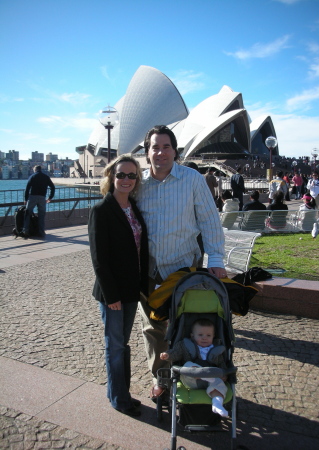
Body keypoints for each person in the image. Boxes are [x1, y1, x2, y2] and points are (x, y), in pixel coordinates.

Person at [136, 125, 226, 398]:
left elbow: (209, 221)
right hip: (149, 271)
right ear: (147, 152)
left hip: (184, 268)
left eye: (166, 147)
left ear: (175, 151)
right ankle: (161, 378)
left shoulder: (193, 179)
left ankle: (191, 372)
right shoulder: (138, 183)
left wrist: (216, 258)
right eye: (155, 147)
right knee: (153, 328)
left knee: (185, 323)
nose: (160, 152)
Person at [88, 155, 149, 417]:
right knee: (114, 345)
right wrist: (111, 295)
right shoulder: (101, 210)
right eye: (121, 174)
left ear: (137, 180)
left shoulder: (134, 207)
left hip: (131, 289)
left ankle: (120, 392)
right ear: (111, 177)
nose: (126, 179)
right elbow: (99, 259)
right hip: (113, 293)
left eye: (131, 175)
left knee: (122, 344)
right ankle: (119, 398)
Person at [160, 319, 229, 417]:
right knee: (188, 364)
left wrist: (224, 374)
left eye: (208, 335)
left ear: (213, 336)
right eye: (200, 335)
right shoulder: (185, 345)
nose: (204, 338)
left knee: (219, 385)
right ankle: (205, 375)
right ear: (192, 335)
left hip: (210, 381)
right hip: (190, 379)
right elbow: (175, 352)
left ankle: (217, 404)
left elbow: (221, 363)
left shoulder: (216, 349)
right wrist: (167, 355)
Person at [22, 165, 55, 239]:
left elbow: (27, 188)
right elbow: (52, 187)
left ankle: (26, 231)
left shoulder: (32, 176)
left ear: (35, 169)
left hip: (32, 197)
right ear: (41, 169)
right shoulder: (46, 177)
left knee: (27, 213)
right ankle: (41, 232)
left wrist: (25, 199)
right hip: (42, 198)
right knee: (41, 215)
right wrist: (50, 197)